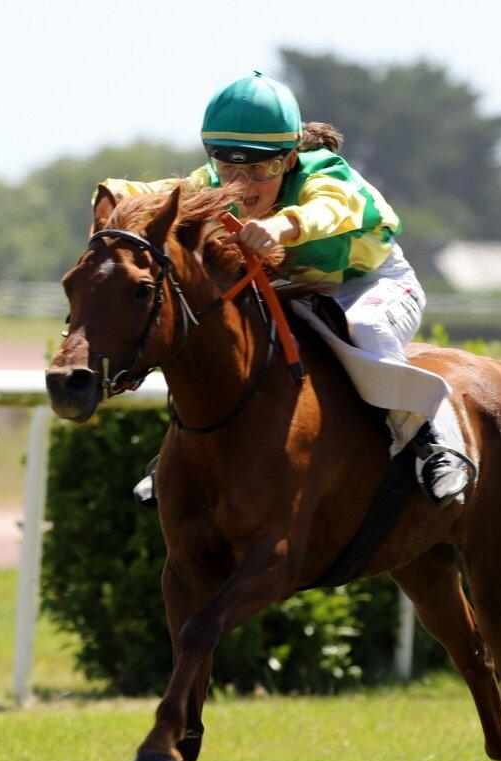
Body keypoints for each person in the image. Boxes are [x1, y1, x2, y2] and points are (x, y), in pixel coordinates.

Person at [104, 72, 473, 508]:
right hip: (294, 288)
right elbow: (144, 192)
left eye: (260, 169)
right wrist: (109, 197)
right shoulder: (211, 182)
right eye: (229, 168)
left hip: (373, 283)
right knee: (218, 340)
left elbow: (330, 208)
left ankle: (435, 445)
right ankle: (174, 455)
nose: (241, 185)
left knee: (366, 328)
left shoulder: (326, 174)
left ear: (290, 158)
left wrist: (281, 226)